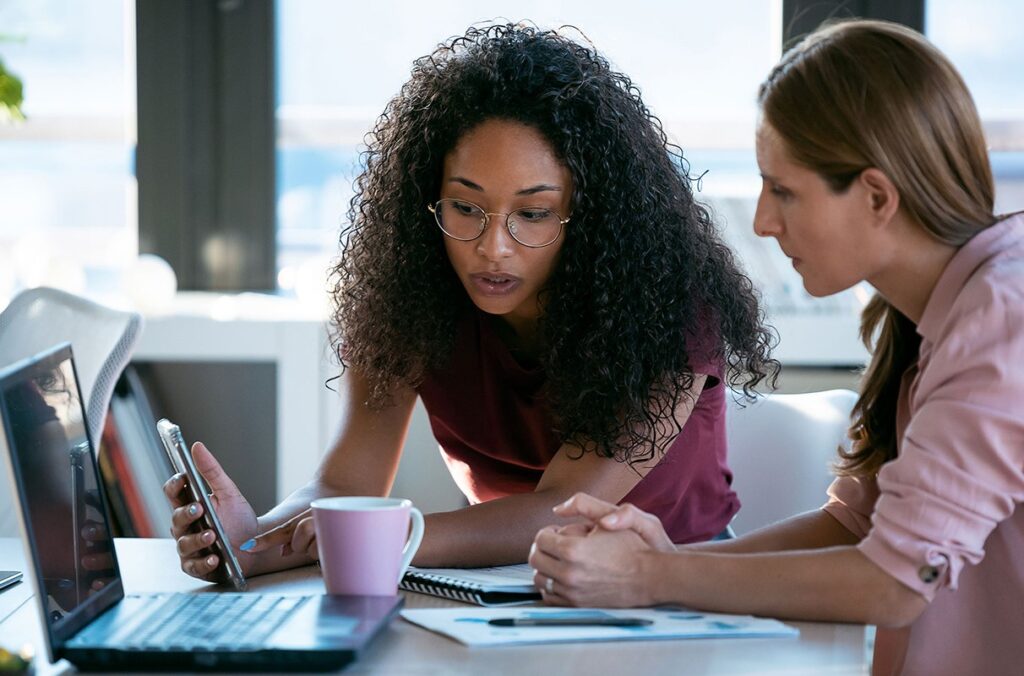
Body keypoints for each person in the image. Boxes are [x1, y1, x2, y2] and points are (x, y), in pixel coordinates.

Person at [164, 23, 774, 577]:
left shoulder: (668, 309)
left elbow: (557, 515)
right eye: (464, 207)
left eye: (533, 214)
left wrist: (384, 536)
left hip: (678, 585)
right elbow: (345, 482)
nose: (493, 249)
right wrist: (247, 543)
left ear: (588, 215)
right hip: (497, 581)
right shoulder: (409, 295)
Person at [529, 18, 1024, 676]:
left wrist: (651, 578)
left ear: (876, 195)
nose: (763, 221)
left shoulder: (999, 320)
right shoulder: (948, 311)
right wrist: (668, 567)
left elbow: (896, 581)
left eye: (784, 190)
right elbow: (857, 526)